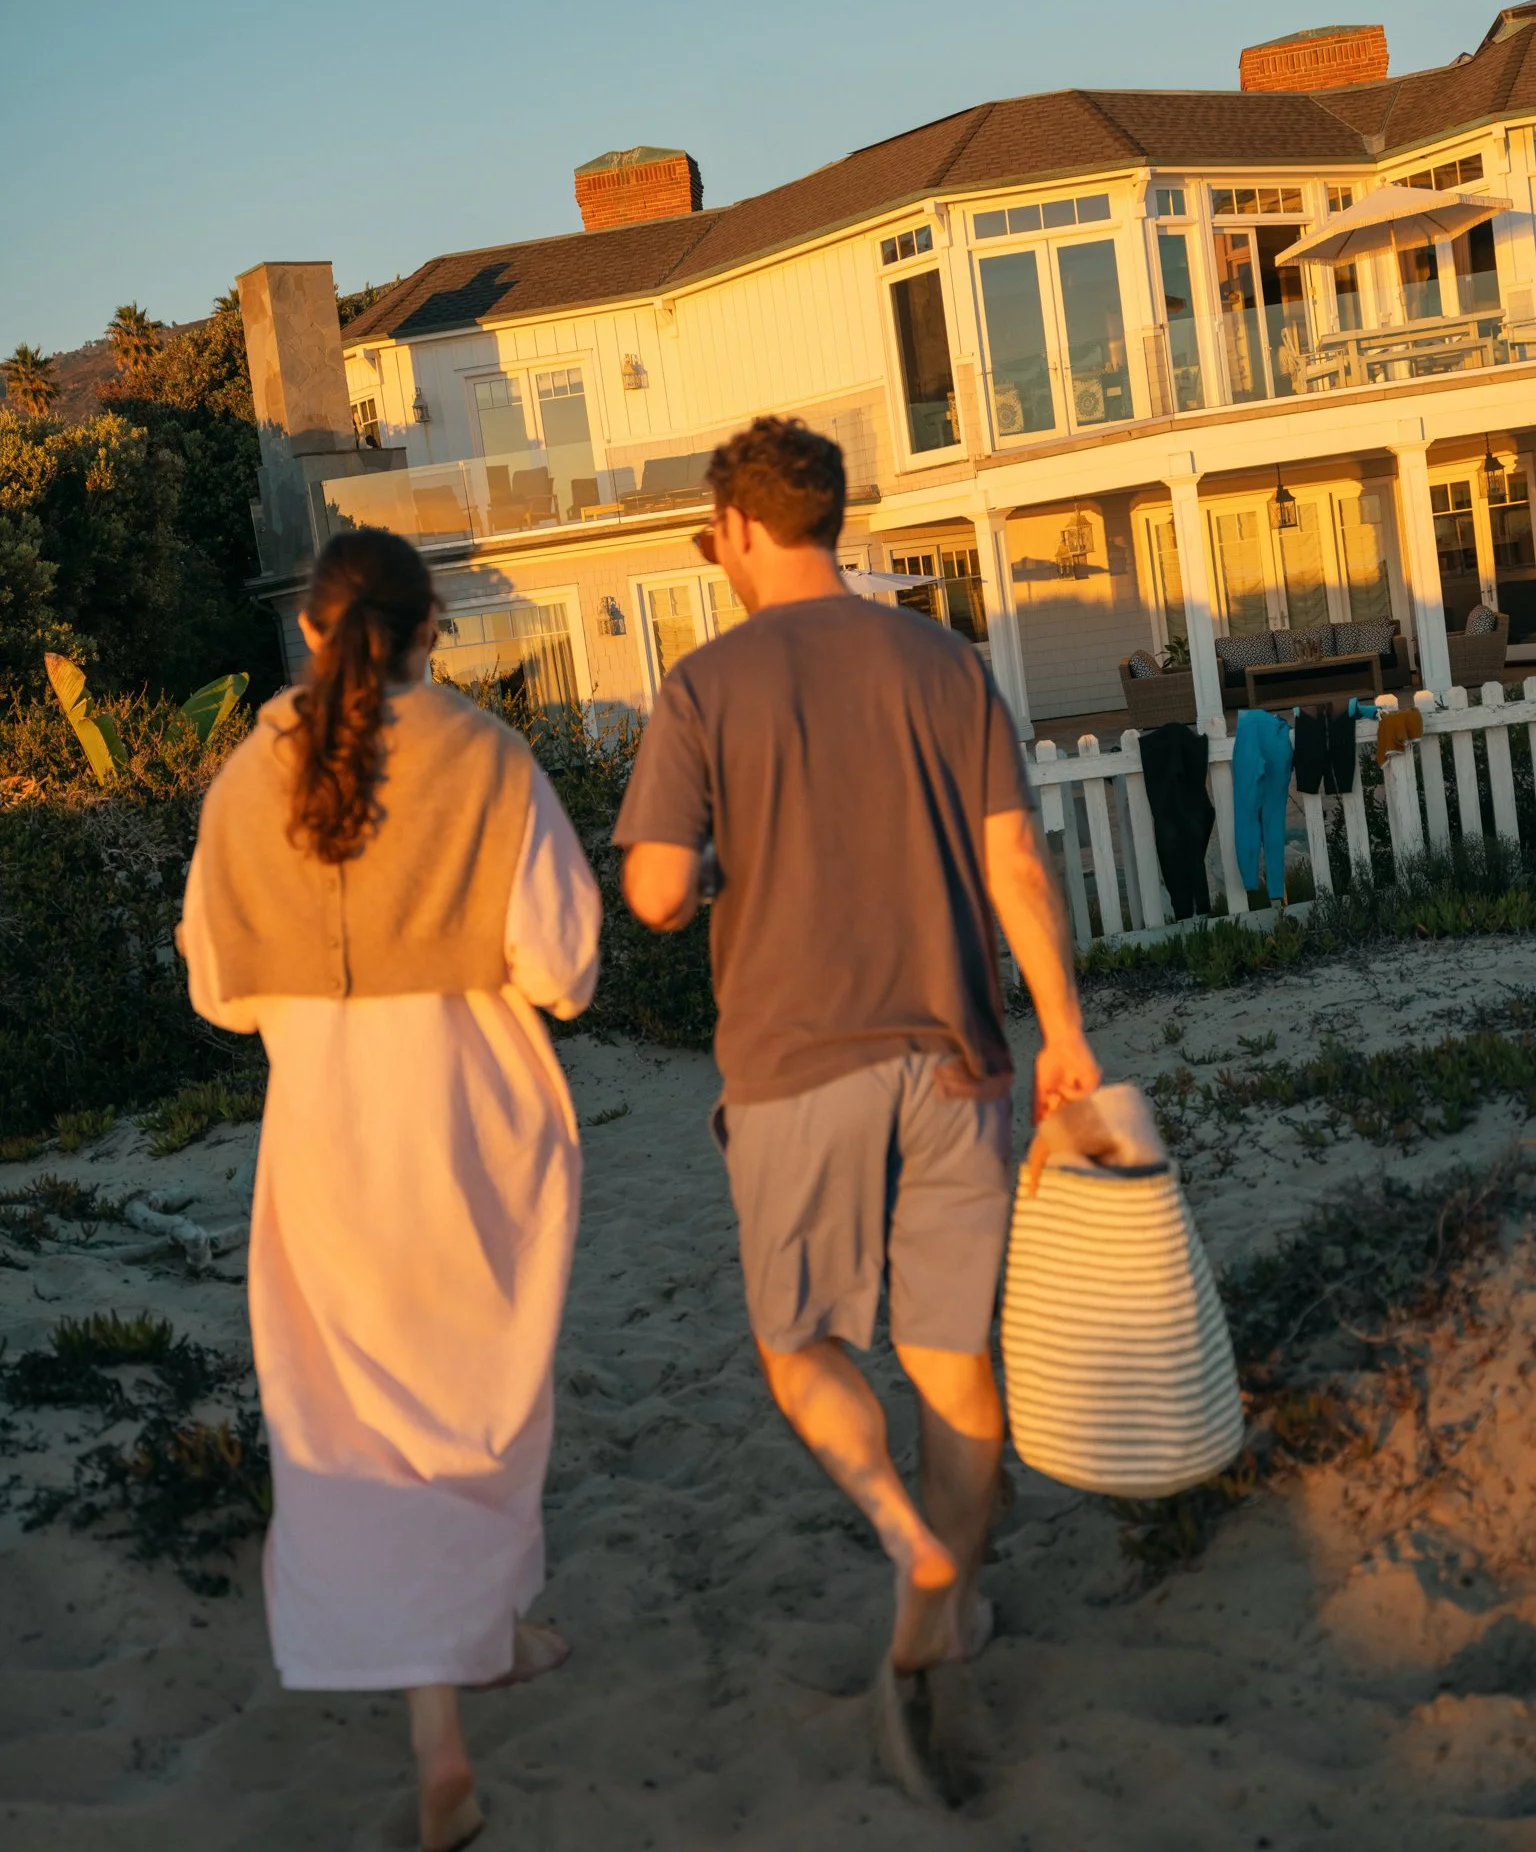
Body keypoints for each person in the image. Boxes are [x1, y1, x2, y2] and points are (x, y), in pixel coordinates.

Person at [615, 416, 1100, 1784]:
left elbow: (652, 892)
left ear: (747, 530)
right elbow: (1015, 865)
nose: (715, 557)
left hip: (796, 1064)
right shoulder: (946, 663)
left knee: (803, 1342)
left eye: (713, 536)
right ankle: (940, 1616)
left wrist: (711, 871)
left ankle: (906, 1535)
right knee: (953, 1364)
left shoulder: (705, 685)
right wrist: (1063, 1031)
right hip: (957, 1055)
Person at [179, 530, 600, 1852]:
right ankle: (478, 1650)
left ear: (312, 630)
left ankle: (446, 1716)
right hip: (476, 1121)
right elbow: (565, 968)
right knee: (478, 1405)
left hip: (326, 1133)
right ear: (432, 632)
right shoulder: (486, 756)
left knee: (357, 1421)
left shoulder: (249, 778)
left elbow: (215, 990)